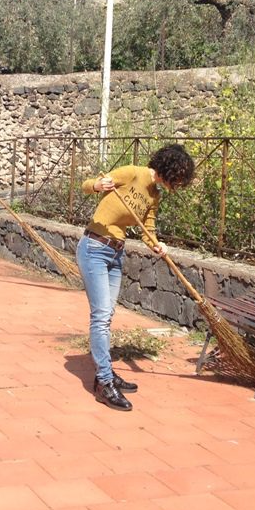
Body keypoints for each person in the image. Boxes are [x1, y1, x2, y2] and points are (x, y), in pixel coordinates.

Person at [77, 143, 195, 411]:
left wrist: (156, 244)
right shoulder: (133, 173)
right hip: (94, 246)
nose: (176, 185)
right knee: (100, 316)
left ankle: (104, 372)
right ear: (170, 169)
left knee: (107, 316)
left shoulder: (154, 196)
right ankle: (105, 382)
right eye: (177, 179)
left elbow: (147, 230)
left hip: (116, 253)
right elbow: (86, 185)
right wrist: (98, 185)